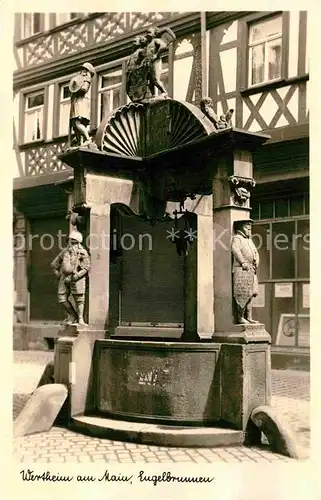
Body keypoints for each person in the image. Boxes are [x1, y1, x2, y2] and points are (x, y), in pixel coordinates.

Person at [51, 230, 90, 326]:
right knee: (62, 298)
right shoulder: (64, 252)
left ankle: (80, 318)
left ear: (78, 243)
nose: (72, 244)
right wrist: (57, 272)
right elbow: (54, 264)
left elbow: (87, 266)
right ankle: (72, 315)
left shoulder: (83, 253)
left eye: (74, 242)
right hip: (64, 278)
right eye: (71, 242)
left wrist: (77, 275)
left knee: (79, 299)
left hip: (77, 278)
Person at [231, 219, 259, 324]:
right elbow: (235, 249)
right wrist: (243, 262)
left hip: (251, 270)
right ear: (241, 227)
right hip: (241, 270)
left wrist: (256, 262)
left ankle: (249, 316)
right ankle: (240, 317)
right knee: (242, 294)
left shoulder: (249, 240)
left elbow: (254, 252)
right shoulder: (237, 238)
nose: (249, 228)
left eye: (250, 226)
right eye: (247, 226)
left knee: (251, 294)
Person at [68, 62, 95, 147]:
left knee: (77, 123)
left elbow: (84, 89)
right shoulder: (80, 78)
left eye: (84, 69)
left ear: (87, 71)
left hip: (81, 101)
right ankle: (80, 143)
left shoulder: (86, 79)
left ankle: (87, 138)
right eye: (82, 69)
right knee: (75, 126)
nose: (82, 71)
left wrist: (77, 87)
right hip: (76, 102)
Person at [145, 26, 175, 97]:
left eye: (149, 32)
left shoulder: (156, 41)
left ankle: (164, 92)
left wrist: (156, 54)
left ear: (154, 34)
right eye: (147, 33)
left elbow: (163, 46)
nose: (147, 34)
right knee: (149, 81)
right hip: (149, 63)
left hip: (156, 62)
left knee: (155, 79)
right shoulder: (149, 44)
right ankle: (153, 95)